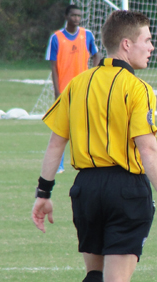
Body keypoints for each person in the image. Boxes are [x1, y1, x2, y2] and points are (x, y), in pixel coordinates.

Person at [32, 10, 157, 282]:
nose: (152, 47)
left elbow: (56, 144)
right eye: (147, 40)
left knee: (93, 273)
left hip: (85, 188)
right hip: (125, 189)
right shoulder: (138, 89)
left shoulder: (78, 83)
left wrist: (43, 194)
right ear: (126, 44)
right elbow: (148, 149)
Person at [45, 4, 101, 174]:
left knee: (87, 125)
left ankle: (88, 160)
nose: (77, 18)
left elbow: (97, 54)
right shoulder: (56, 38)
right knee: (62, 127)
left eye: (79, 15)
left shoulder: (87, 35)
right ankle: (59, 165)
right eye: (74, 15)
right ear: (66, 16)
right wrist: (57, 91)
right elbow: (53, 67)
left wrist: (94, 72)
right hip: (65, 90)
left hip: (83, 89)